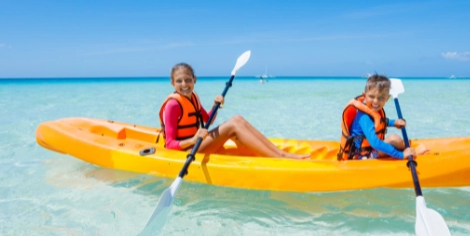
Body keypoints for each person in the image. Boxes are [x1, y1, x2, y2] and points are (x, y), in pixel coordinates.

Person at [158, 63, 308, 159]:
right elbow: (170, 144)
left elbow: (208, 119)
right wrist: (192, 140)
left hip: (197, 143)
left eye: (188, 80)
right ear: (173, 83)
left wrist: (215, 105)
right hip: (185, 152)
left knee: (239, 120)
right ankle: (280, 157)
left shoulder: (193, 97)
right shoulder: (173, 105)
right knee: (234, 124)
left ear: (194, 80)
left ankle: (279, 153)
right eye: (179, 81)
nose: (184, 84)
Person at [338, 74, 428, 160]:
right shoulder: (364, 117)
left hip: (370, 150)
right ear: (364, 95)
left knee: (394, 139)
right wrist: (401, 155)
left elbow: (380, 121)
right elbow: (375, 143)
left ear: (387, 98)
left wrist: (394, 122)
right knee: (393, 138)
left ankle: (407, 150)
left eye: (381, 98)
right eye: (371, 96)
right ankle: (410, 152)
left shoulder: (372, 112)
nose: (376, 101)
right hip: (363, 156)